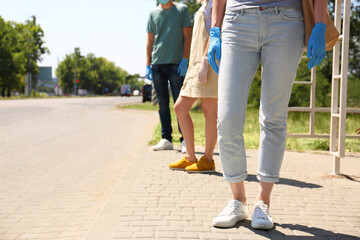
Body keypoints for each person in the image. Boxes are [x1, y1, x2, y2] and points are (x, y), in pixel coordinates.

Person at [208, 0, 328, 229]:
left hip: (287, 21)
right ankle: (237, 199)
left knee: (273, 117)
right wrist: (215, 29)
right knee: (227, 116)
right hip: (236, 22)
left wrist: (319, 26)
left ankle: (263, 202)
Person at [169, 0, 218, 173]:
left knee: (209, 111)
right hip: (195, 63)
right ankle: (191, 157)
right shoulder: (203, 5)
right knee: (180, 108)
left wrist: (205, 61)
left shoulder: (215, 4)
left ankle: (208, 159)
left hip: (209, 61)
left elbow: (215, 31)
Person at [146, 0, 192, 152]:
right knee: (163, 104)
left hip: (176, 64)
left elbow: (187, 37)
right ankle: (166, 139)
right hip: (157, 63)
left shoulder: (181, 10)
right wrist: (148, 64)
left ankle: (185, 140)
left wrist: (185, 59)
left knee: (180, 104)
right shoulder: (153, 14)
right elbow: (150, 41)